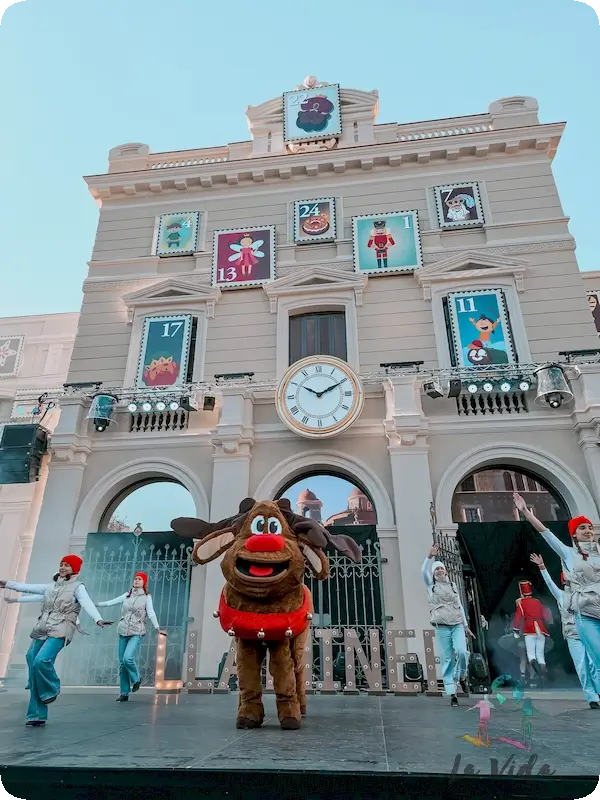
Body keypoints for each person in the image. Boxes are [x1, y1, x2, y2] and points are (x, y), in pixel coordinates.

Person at [0, 554, 112, 727]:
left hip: (61, 628)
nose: (62, 567)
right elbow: (28, 588)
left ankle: (51, 688)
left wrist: (98, 619)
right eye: (61, 564)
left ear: (74, 569)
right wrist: (7, 584)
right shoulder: (50, 586)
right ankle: (36, 715)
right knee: (31, 659)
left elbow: (87, 603)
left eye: (67, 565)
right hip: (43, 627)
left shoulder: (77, 587)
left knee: (41, 661)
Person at [513, 493, 600, 673]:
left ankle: (537, 662)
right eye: (582, 528)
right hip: (582, 618)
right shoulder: (568, 554)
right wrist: (526, 513)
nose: (588, 531)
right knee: (591, 662)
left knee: (593, 663)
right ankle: (593, 698)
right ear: (574, 535)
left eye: (590, 527)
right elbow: (547, 534)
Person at [530, 553, 600, 708]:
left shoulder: (588, 592)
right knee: (582, 665)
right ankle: (592, 697)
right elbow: (549, 583)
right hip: (573, 635)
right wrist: (542, 567)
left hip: (589, 632)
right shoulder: (562, 595)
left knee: (595, 663)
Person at [97, 571, 167, 702]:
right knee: (122, 663)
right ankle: (124, 692)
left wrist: (158, 628)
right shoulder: (126, 595)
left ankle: (136, 679)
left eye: (139, 579)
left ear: (144, 582)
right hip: (123, 630)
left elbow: (151, 613)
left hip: (137, 631)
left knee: (128, 658)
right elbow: (112, 602)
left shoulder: (147, 597)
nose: (136, 581)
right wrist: (95, 605)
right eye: (135, 579)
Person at [422, 544, 475, 706]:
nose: (439, 571)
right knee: (447, 659)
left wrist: (466, 626)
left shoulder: (452, 586)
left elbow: (459, 605)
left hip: (457, 624)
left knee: (462, 652)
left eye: (441, 569)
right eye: (437, 569)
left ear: (445, 571)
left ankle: (461, 676)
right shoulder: (431, 587)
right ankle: (452, 693)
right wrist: (429, 557)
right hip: (442, 626)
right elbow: (423, 571)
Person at [512, 579, 552, 681]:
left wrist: (515, 629)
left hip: (529, 629)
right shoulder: (537, 602)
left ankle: (539, 677)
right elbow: (546, 615)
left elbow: (518, 617)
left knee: (531, 656)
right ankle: (545, 676)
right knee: (541, 656)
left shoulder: (521, 603)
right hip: (541, 629)